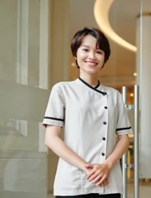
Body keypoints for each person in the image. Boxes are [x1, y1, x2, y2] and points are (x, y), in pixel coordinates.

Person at [43, 27, 132, 198]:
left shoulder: (114, 95)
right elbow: (51, 138)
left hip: (109, 182)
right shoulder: (62, 90)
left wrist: (107, 165)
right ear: (75, 55)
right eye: (85, 50)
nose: (92, 56)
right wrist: (87, 167)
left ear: (104, 58)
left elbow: (124, 138)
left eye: (98, 51)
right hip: (73, 182)